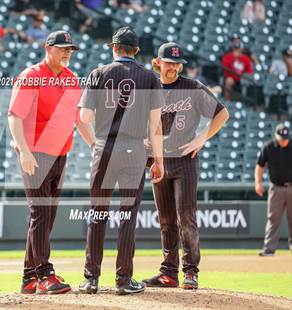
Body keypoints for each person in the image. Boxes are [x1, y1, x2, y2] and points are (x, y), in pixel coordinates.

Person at [78, 27, 164, 295]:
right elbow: (156, 127)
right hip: (134, 149)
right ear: (136, 50)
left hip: (104, 147)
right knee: (127, 217)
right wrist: (158, 160)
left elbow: (84, 119)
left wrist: (96, 144)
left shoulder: (98, 74)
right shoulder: (150, 77)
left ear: (113, 48)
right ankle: (124, 280)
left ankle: (91, 279)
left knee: (97, 214)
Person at [8, 31, 95, 295]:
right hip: (34, 154)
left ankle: (28, 278)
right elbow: (14, 116)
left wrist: (95, 146)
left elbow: (79, 120)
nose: (68, 52)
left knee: (46, 218)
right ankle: (45, 274)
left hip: (60, 155)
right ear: (48, 48)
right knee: (40, 214)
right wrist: (24, 151)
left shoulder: (71, 80)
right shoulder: (31, 76)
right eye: (63, 48)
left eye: (71, 49)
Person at [142, 42, 229, 290]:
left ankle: (190, 271)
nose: (175, 67)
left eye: (178, 63)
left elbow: (222, 114)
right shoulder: (150, 89)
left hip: (185, 162)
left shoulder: (192, 88)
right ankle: (168, 272)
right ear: (157, 63)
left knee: (186, 217)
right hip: (159, 162)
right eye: (169, 62)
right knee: (166, 220)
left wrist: (202, 137)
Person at [255, 124, 292, 256]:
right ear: (276, 136)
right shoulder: (268, 147)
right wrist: (258, 182)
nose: (284, 141)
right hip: (276, 188)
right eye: (282, 138)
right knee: (273, 218)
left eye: (286, 138)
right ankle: (269, 249)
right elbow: (260, 166)